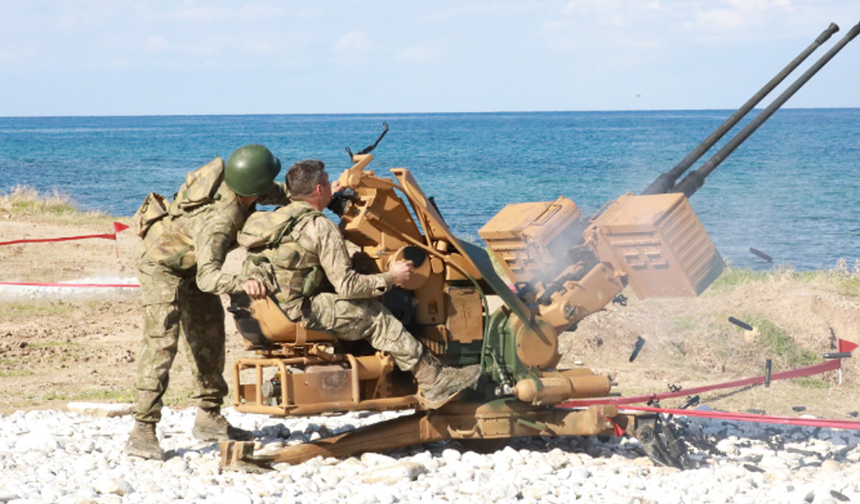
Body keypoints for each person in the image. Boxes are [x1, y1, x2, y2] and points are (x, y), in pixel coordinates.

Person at [238, 159, 481, 409]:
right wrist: (391, 278)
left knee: (339, 302)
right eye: (326, 185)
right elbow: (348, 286)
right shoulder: (321, 228)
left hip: (266, 312)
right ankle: (433, 379)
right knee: (373, 315)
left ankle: (353, 377)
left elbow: (261, 265)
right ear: (320, 190)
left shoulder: (273, 221)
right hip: (298, 313)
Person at [126, 144, 289, 460]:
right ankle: (142, 431)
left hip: (193, 264)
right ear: (251, 189)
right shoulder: (220, 220)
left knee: (210, 335)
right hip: (161, 264)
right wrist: (242, 283)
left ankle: (209, 416)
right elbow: (208, 278)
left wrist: (318, 194)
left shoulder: (243, 186)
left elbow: (276, 193)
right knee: (162, 343)